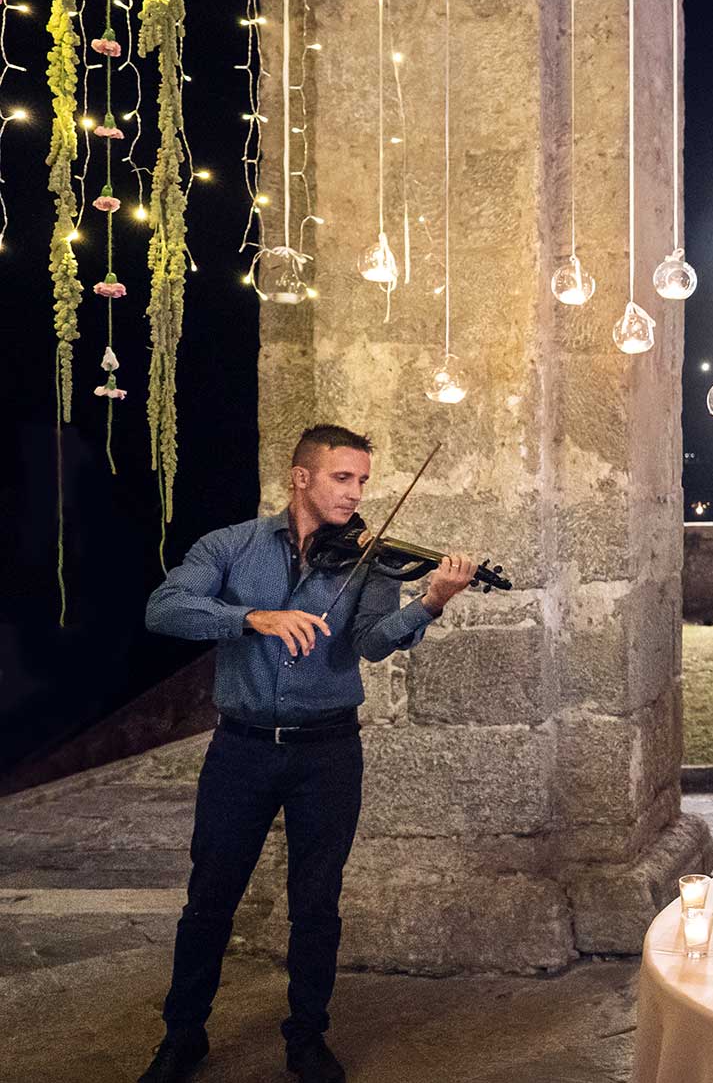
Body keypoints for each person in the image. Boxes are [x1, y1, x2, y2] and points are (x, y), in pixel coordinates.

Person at [135, 425, 477, 1083]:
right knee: (209, 898)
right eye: (342, 478)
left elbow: (376, 643)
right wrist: (252, 618)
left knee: (316, 905)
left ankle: (307, 1037)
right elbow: (164, 608)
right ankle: (183, 1034)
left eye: (362, 482)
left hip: (328, 753)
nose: (355, 494)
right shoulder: (229, 546)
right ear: (301, 478)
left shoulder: (369, 558)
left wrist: (429, 600)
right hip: (241, 749)